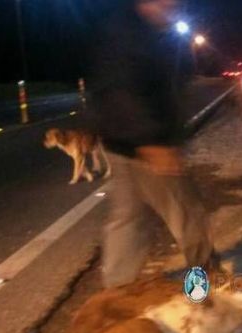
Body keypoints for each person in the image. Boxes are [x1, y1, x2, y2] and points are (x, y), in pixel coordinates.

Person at [89, 0, 217, 288]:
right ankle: (203, 286)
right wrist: (151, 142)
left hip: (123, 144)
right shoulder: (130, 34)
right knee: (188, 214)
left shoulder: (136, 29)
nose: (175, 5)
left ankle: (116, 296)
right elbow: (121, 90)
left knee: (128, 220)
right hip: (146, 148)